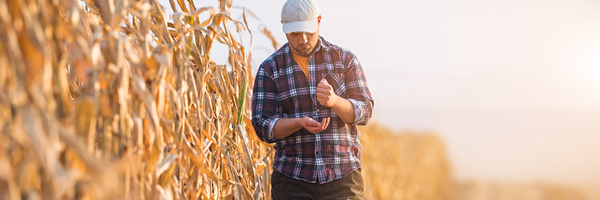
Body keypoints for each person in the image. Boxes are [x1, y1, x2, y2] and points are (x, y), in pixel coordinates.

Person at [251, 0, 374, 199]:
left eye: (308, 31)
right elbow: (262, 126)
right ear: (283, 26)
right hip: (292, 178)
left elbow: (365, 112)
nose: (303, 39)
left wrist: (335, 101)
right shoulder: (270, 69)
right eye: (295, 34)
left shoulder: (345, 59)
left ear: (318, 21)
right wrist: (298, 123)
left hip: (342, 176)